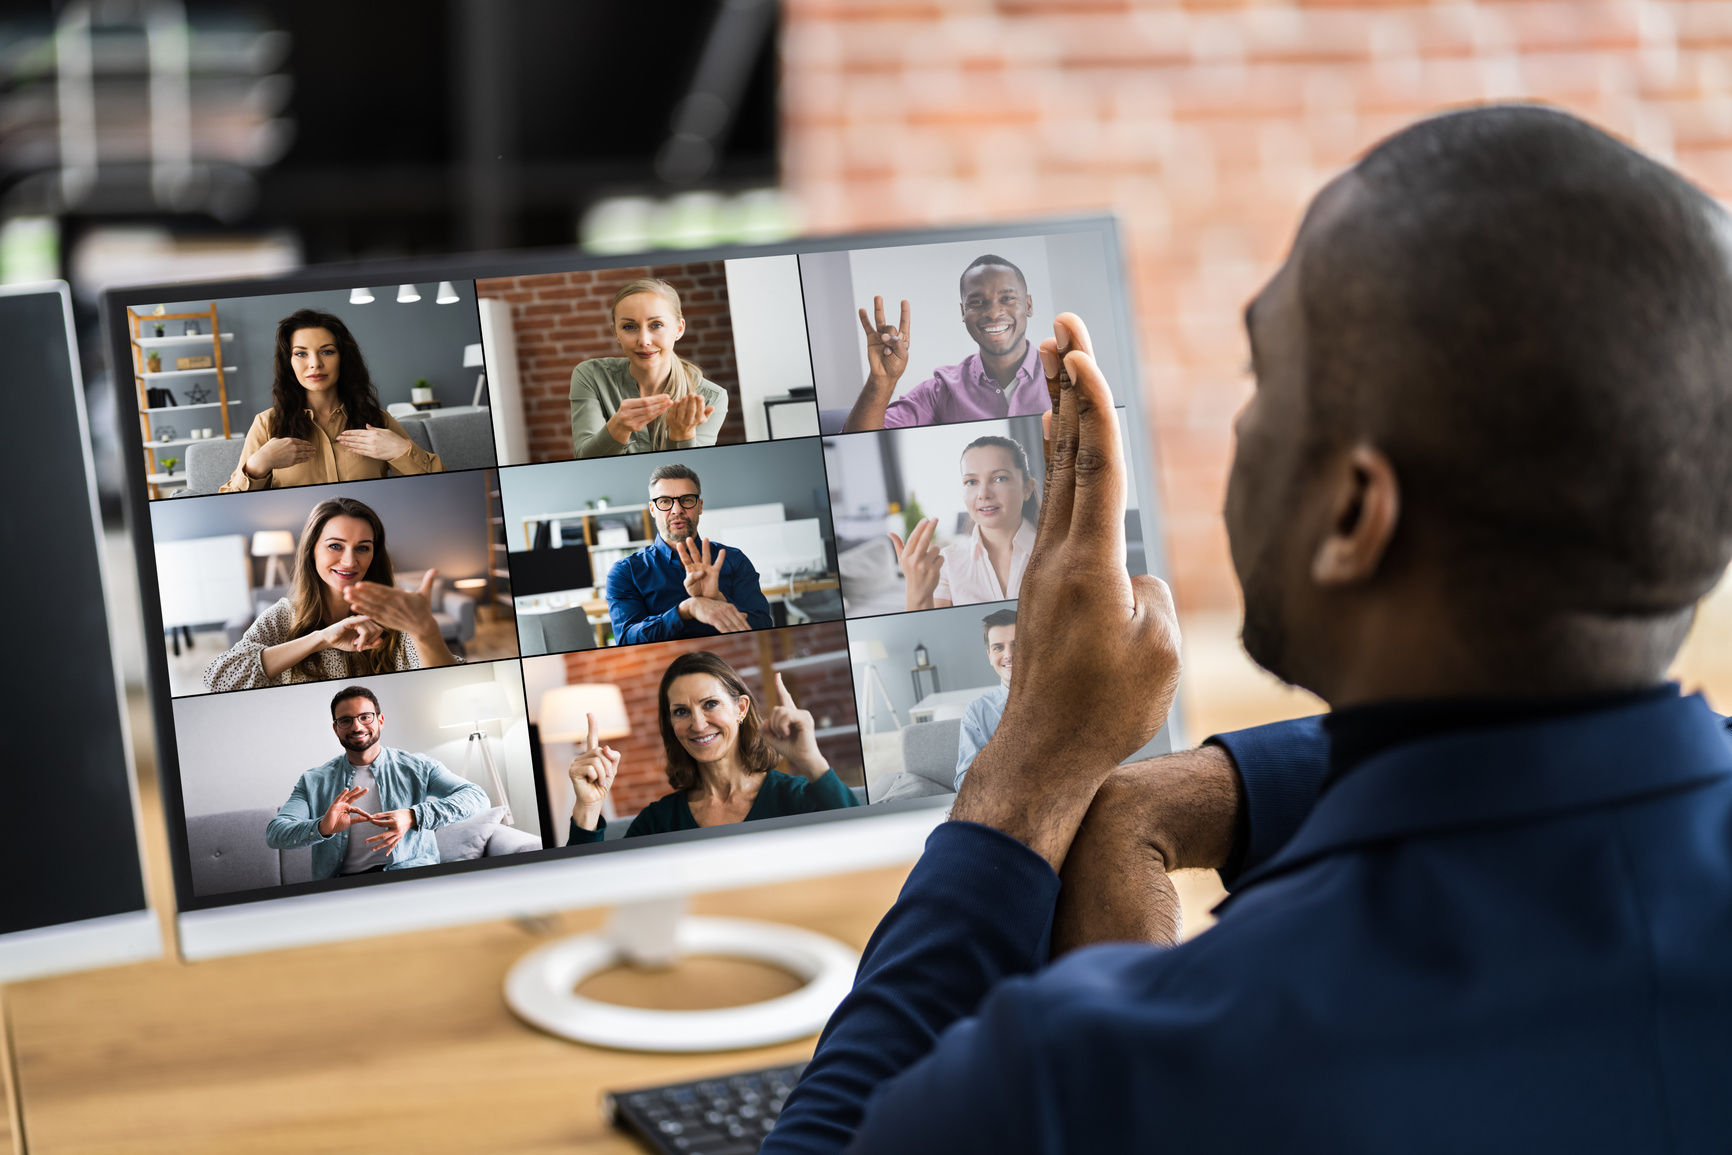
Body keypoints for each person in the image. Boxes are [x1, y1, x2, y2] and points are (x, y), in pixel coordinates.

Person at [764, 107, 1732, 1154]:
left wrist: (1035, 767)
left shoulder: (1088, 1080)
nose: (1239, 421)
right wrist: (1211, 793)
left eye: (1263, 376)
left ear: (1354, 516)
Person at [567, 654, 859, 842]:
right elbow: (592, 893)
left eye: (710, 704)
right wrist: (588, 807)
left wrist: (811, 760)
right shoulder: (658, 821)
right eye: (681, 711)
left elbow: (863, 841)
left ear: (741, 708)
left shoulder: (797, 799)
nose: (698, 723)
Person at [203, 496, 460, 692]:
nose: (349, 561)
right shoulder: (281, 617)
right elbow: (219, 680)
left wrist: (426, 632)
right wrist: (321, 638)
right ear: (312, 550)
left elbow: (449, 686)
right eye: (335, 546)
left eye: (362, 548)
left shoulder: (392, 618)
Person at [264, 685, 489, 879]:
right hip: (342, 886)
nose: (357, 727)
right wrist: (323, 827)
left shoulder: (419, 766)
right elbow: (275, 834)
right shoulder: (313, 780)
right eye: (345, 720)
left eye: (365, 717)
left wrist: (413, 816)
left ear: (380, 721)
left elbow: (477, 798)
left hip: (411, 877)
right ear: (336, 729)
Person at [221, 308, 442, 492]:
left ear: (343, 358)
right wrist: (259, 464)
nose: (315, 363)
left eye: (327, 352)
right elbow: (228, 501)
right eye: (301, 353)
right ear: (288, 362)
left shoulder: (377, 419)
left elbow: (439, 486)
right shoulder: (267, 424)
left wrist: (400, 450)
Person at [842, 254, 1050, 432]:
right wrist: (881, 381)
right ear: (963, 312)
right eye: (977, 302)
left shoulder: (1068, 375)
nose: (994, 313)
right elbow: (858, 444)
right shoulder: (940, 391)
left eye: (1006, 299)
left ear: (1028, 305)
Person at [604, 463, 774, 645]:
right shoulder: (625, 572)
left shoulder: (733, 559)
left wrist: (719, 599)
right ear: (653, 510)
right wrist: (685, 609)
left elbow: (763, 626)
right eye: (665, 501)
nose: (677, 510)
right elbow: (626, 639)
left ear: (699, 506)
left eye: (686, 499)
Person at [569, 278, 729, 458]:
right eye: (629, 327)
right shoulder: (590, 376)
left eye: (657, 325)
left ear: (679, 329)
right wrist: (619, 426)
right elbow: (584, 460)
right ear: (616, 333)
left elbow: (688, 475)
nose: (644, 340)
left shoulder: (712, 397)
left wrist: (681, 436)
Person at [891, 435, 1039, 611]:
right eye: (971, 482)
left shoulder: (1062, 551)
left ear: (1027, 488)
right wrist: (915, 589)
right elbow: (929, 633)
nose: (983, 494)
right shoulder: (947, 563)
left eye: (1000, 478)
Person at [951, 608, 1015, 792]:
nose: (1008, 655)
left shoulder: (1061, 702)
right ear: (989, 656)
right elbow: (963, 783)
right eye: (998, 647)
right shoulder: (976, 713)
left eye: (1017, 644)